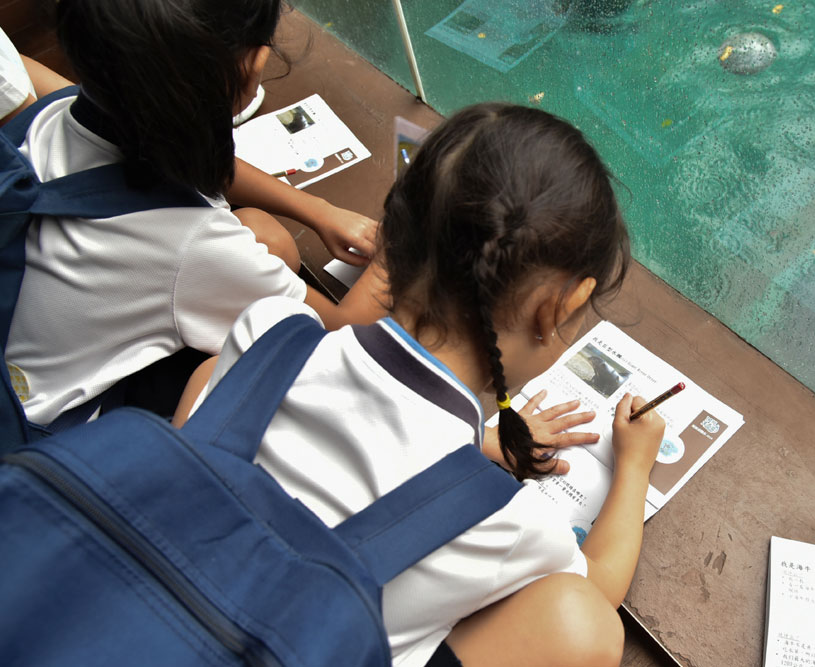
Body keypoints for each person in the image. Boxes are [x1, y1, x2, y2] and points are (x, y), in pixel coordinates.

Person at [176, 103, 666, 667]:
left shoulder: (267, 333)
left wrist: (479, 444)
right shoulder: (501, 522)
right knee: (585, 624)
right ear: (561, 306)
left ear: (394, 240)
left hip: (148, 619)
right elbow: (600, 587)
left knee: (212, 375)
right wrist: (633, 466)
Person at [5, 0, 377, 428]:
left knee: (265, 236)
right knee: (277, 347)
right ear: (252, 66)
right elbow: (346, 331)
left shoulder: (59, 113)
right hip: (53, 431)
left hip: (26, 351)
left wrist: (318, 210)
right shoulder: (191, 243)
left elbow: (196, 162)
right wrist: (411, 228)